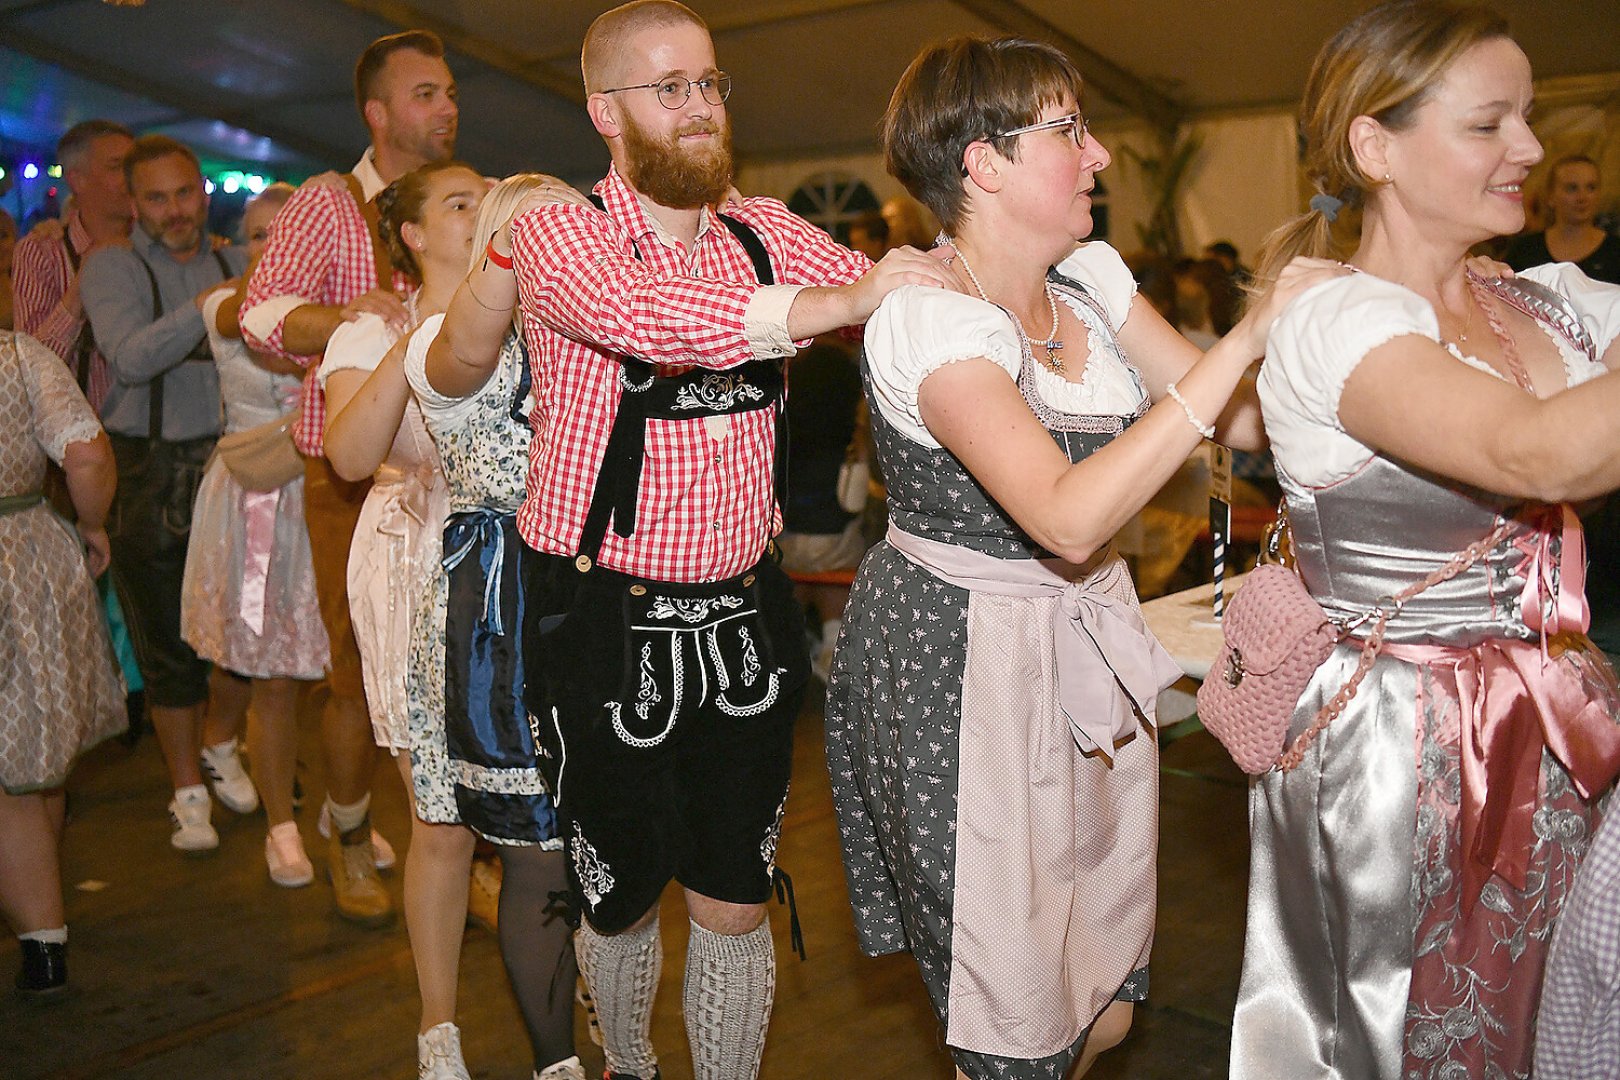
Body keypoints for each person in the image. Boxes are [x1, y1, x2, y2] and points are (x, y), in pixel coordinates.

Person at [434, 4, 961, 1076]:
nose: (699, 107)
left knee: (734, 895)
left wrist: (950, 281)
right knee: (620, 899)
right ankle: (630, 1067)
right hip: (600, 616)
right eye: (668, 87)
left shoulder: (768, 229)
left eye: (710, 83)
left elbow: (884, 309)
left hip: (745, 613)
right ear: (605, 112)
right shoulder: (557, 233)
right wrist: (842, 299)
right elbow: (646, 319)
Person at [821, 35, 1338, 1080]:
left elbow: (1236, 425)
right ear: (983, 162)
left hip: (1085, 642)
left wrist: (1342, 339)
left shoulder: (1090, 279)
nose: (1098, 154)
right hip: (959, 673)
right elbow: (1062, 517)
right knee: (1013, 1015)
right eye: (1069, 129)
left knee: (1099, 1002)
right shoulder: (927, 322)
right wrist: (1240, 343)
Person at [1230, 4, 1620, 1077]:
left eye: (1528, 119)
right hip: (1401, 751)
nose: (1532, 150)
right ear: (1376, 147)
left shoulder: (1543, 300)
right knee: (1400, 1029)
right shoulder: (1338, 323)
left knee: (1557, 1011)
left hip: (1552, 715)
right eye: (1492, 123)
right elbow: (1541, 455)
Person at [240, 27, 459, 926]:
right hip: (347, 472)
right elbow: (258, 313)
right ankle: (348, 833)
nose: (446, 108)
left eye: (450, 92)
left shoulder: (458, 197)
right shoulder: (329, 204)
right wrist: (346, 316)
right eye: (425, 94)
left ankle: (448, 848)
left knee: (449, 667)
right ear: (377, 112)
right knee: (352, 667)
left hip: (452, 469)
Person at [410, 173, 591, 1080]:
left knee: (605, 839)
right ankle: (557, 1060)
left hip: (599, 584)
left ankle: (610, 1036)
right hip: (506, 597)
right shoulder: (451, 341)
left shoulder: (590, 330)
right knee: (536, 850)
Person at [319, 159, 483, 1080]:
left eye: (486, 196)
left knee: (551, 806)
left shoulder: (534, 320)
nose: (480, 211)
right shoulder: (373, 327)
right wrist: (415, 334)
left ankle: (574, 1009)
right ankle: (438, 1031)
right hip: (416, 555)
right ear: (413, 234)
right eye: (459, 202)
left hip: (521, 563)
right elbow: (348, 455)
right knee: (442, 812)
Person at [79, 134, 257, 853]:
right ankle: (186, 788)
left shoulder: (237, 258)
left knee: (244, 631)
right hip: (146, 467)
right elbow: (129, 356)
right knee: (166, 642)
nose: (176, 209)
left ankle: (222, 741)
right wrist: (215, 307)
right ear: (132, 203)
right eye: (157, 197)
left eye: (185, 192)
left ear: (204, 189)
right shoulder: (112, 266)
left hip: (236, 460)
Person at [180, 182, 331, 887]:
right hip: (256, 504)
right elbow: (254, 323)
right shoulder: (224, 304)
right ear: (242, 244)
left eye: (289, 234)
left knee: (327, 673)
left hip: (327, 497)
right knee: (262, 661)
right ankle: (278, 822)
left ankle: (339, 810)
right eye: (261, 235)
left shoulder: (327, 311)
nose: (273, 247)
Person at [0, 330, 124, 997]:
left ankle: (40, 934)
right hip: (22, 555)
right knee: (29, 756)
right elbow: (86, 455)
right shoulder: (20, 358)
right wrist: (93, 524)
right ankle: (44, 943)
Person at [12, 119, 133, 409]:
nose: (133, 176)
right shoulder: (42, 251)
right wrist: (80, 287)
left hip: (154, 443)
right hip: (81, 442)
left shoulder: (158, 247)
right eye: (117, 167)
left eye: (134, 165)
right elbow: (29, 371)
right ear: (77, 179)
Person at [1505, 155, 1620, 284]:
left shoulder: (1615, 251)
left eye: (1591, 188)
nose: (1582, 197)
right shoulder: (1525, 249)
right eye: (1572, 188)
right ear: (1551, 196)